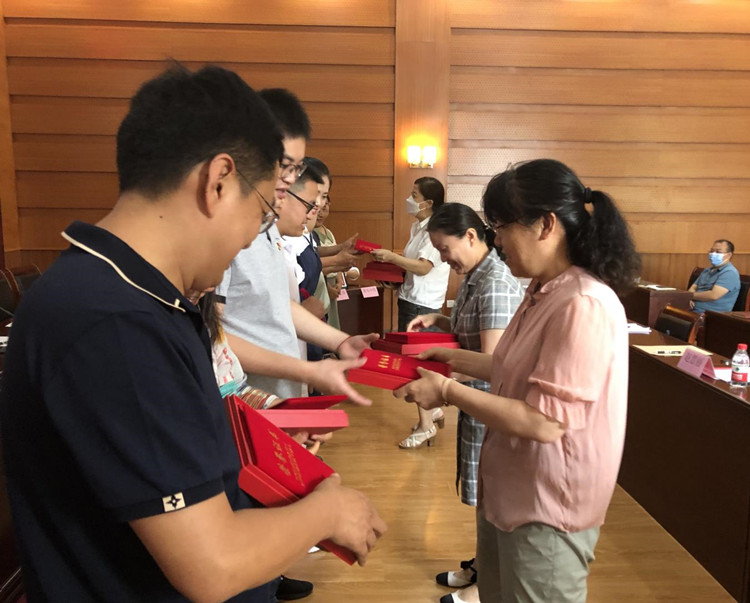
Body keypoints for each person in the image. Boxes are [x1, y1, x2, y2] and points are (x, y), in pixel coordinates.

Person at [0, 65, 385, 603]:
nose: (252, 236)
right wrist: (330, 510)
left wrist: (256, 439)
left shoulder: (140, 296)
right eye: (262, 211)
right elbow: (212, 566)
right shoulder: (114, 321)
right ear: (218, 180)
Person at [395, 159, 640, 602]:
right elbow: (509, 365)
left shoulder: (582, 303)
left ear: (546, 224)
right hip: (510, 490)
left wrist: (447, 390)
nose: (497, 240)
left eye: (502, 227)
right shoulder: (542, 289)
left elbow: (544, 422)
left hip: (547, 506)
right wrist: (448, 357)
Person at [216, 88, 376, 404]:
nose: (289, 179)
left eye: (296, 169)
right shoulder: (224, 232)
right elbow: (211, 339)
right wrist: (307, 371)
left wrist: (340, 342)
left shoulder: (266, 228)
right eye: (286, 167)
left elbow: (277, 303)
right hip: (246, 399)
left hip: (277, 393)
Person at [406, 203, 523, 603]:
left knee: (495, 500)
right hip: (476, 406)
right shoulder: (477, 275)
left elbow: (492, 364)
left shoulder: (495, 282)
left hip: (491, 409)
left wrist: (440, 386)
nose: (443, 258)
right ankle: (483, 564)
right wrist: (439, 321)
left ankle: (486, 585)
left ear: (471, 236)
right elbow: (475, 332)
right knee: (485, 499)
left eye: (445, 248)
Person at [370, 177, 450, 446]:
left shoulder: (435, 229)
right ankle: (432, 412)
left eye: (414, 195)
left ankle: (426, 425)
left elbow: (424, 267)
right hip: (410, 298)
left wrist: (391, 257)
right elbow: (412, 268)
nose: (409, 199)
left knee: (417, 366)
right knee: (416, 363)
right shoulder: (418, 227)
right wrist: (395, 279)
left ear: (429, 202)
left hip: (422, 305)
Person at [688, 239, 740, 313]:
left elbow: (713, 295)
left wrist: (690, 296)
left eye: (718, 252)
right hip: (692, 310)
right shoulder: (707, 270)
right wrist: (688, 299)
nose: (713, 254)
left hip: (710, 315)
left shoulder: (730, 272)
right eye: (712, 251)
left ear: (729, 255)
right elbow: (693, 288)